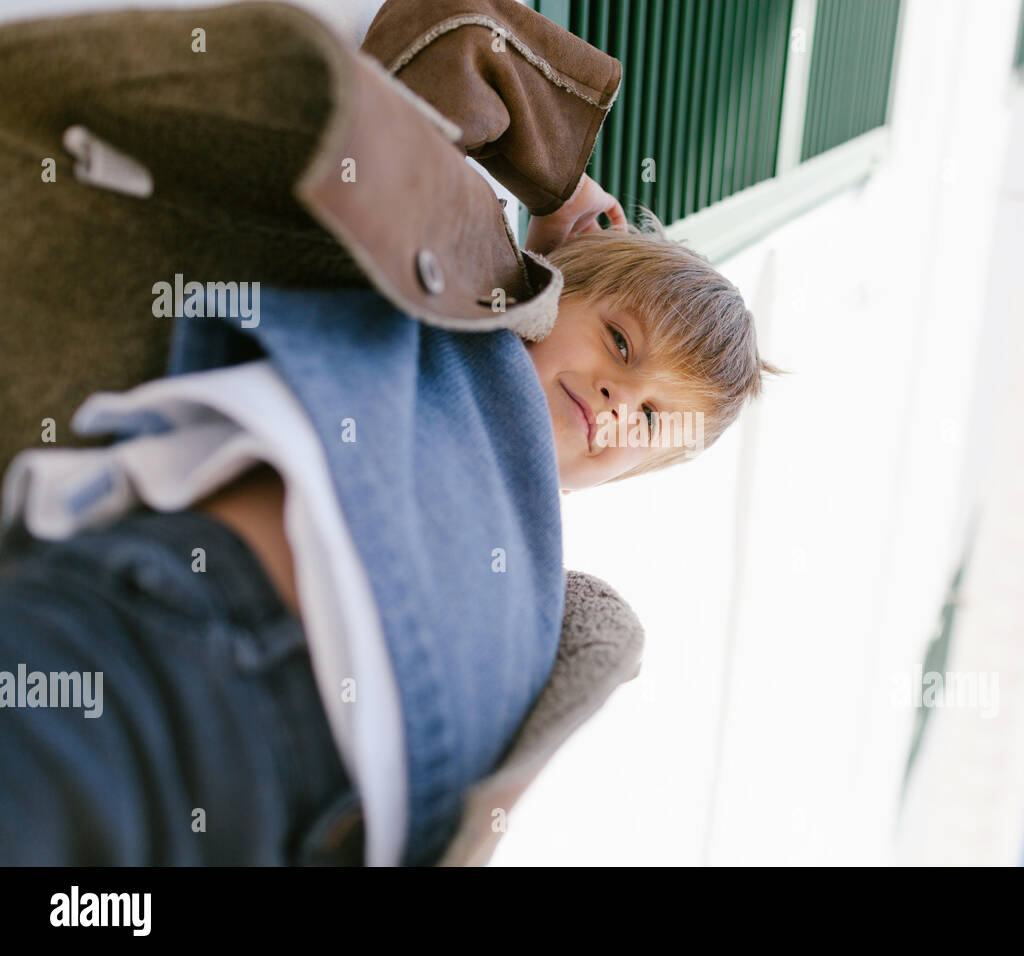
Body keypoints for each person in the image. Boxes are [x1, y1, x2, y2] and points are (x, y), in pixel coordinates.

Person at [0, 0, 781, 866]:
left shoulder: (542, 577)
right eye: (620, 341)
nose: (615, 397)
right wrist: (565, 191)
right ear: (561, 282)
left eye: (650, 418)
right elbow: (453, 45)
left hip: (298, 822)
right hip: (179, 641)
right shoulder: (459, 285)